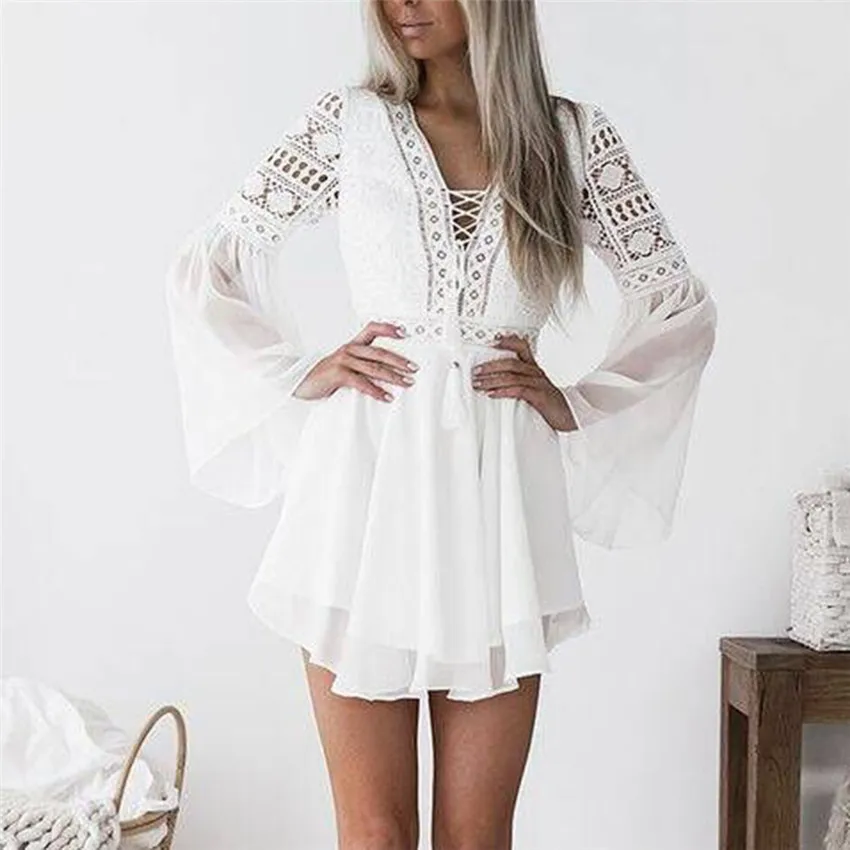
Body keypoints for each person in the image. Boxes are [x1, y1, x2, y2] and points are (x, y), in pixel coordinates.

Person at [164, 0, 718, 846]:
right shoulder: (349, 125)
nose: (402, 5)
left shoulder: (570, 140)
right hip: (362, 495)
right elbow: (207, 267)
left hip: (499, 514)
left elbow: (679, 306)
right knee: (375, 836)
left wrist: (576, 401)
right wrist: (299, 373)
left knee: (476, 837)